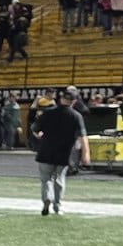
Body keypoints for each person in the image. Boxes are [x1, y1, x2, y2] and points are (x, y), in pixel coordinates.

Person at [32, 84, 88, 215]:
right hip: (64, 152)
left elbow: (35, 128)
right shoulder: (76, 116)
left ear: (61, 99)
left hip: (46, 151)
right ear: (74, 101)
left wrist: (39, 135)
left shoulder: (48, 112)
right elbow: (82, 136)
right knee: (59, 179)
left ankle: (47, 198)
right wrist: (85, 153)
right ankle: (57, 205)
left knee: (46, 179)